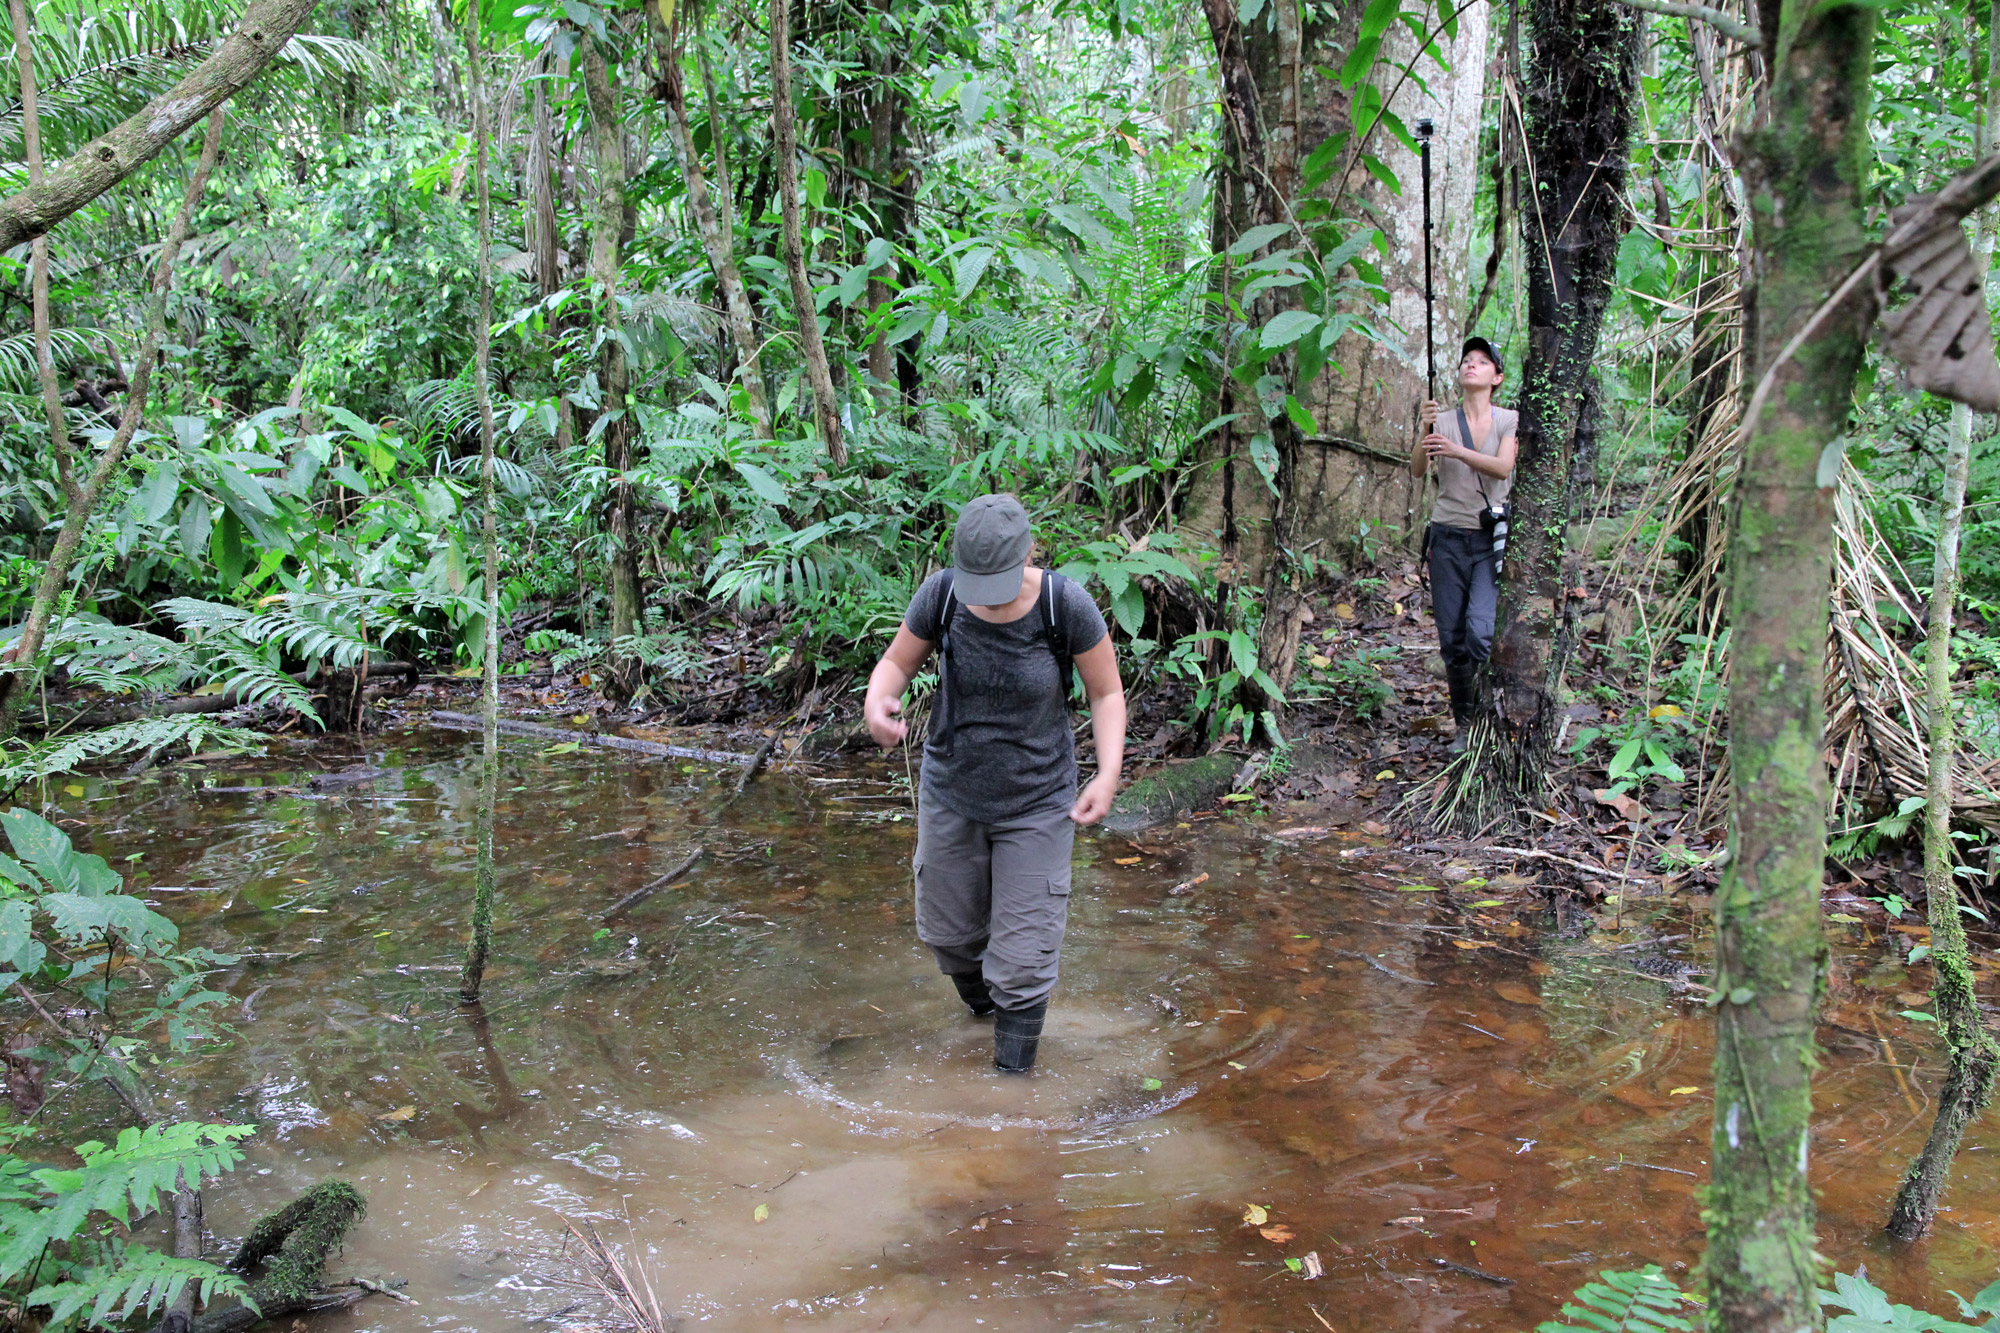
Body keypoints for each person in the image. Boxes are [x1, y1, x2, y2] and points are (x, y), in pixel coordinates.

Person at [863, 494, 1126, 1074]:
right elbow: (898, 662)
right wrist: (879, 701)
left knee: (1024, 960)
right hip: (952, 790)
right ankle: (979, 1017)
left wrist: (1107, 774)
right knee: (949, 935)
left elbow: (1106, 693)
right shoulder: (941, 595)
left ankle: (1011, 1088)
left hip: (1037, 798)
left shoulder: (1065, 604)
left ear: (1029, 552)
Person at [1411, 336, 1518, 750]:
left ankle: (1496, 709)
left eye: (1482, 362)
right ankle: (1467, 726)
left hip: (1489, 539)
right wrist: (1425, 431)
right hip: (1446, 536)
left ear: (1497, 377)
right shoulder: (1443, 418)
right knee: (1452, 639)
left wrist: (1455, 449)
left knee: (1480, 630)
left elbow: (1503, 466)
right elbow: (1418, 470)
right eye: (1466, 361)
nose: (1471, 366)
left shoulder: (1509, 419)